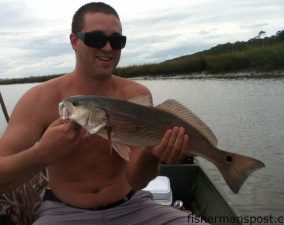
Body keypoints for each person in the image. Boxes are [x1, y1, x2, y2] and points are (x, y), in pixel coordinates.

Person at [0, 2, 208, 225]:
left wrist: (153, 153)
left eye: (117, 41)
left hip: (134, 206)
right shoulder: (40, 98)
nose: (108, 48)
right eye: (96, 38)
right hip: (63, 213)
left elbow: (137, 180)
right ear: (74, 41)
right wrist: (42, 154)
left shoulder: (136, 94)